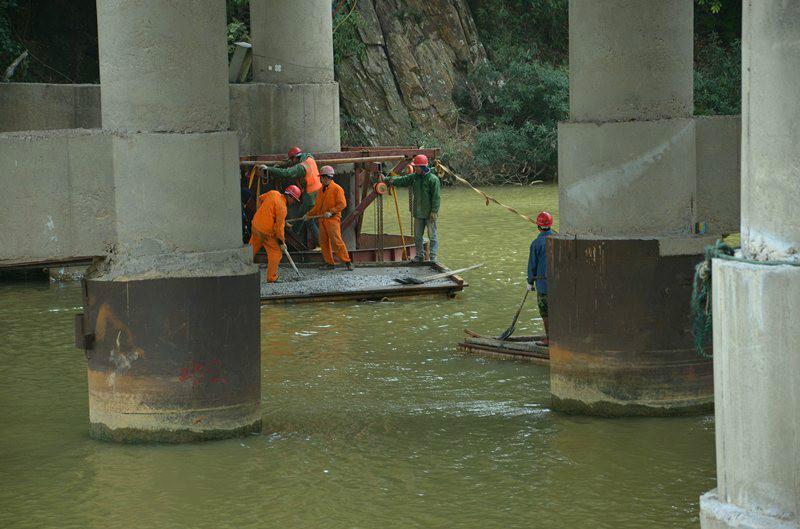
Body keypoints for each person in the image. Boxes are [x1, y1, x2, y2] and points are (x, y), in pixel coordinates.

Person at [260, 146, 322, 247]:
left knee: (307, 218)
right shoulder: (309, 157)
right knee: (310, 219)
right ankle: (317, 242)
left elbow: (287, 173)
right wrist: (284, 163)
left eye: (292, 160)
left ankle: (294, 231)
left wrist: (269, 169)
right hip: (318, 192)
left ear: (295, 158)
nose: (291, 162)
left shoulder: (301, 167)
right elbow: (294, 163)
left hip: (310, 195)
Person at [385, 154, 441, 262]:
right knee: (417, 236)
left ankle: (433, 258)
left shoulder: (433, 180)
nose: (415, 168)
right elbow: (402, 180)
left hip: (430, 214)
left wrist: (434, 212)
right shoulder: (415, 177)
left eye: (417, 167)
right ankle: (419, 256)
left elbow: (436, 198)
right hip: (419, 213)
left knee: (432, 236)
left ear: (423, 167)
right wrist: (388, 180)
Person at [304, 165, 354, 271]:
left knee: (336, 241)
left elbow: (342, 204)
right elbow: (317, 207)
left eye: (321, 177)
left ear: (325, 177)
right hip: (322, 220)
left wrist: (331, 212)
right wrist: (308, 215)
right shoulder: (321, 190)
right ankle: (329, 263)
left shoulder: (337, 189)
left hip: (332, 220)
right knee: (323, 242)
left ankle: (347, 262)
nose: (320, 179)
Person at [250, 185, 302, 283]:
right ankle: (272, 277)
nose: (293, 202)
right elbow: (279, 230)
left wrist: (265, 215)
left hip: (256, 225)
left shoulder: (273, 193)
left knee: (251, 249)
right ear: (290, 196)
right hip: (266, 233)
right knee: (276, 252)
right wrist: (282, 243)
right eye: (294, 200)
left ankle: (239, 268)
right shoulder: (283, 208)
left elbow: (261, 199)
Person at [527, 211, 555, 346]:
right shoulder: (558, 239)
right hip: (558, 283)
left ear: (538, 226)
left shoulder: (536, 243)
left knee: (546, 313)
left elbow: (532, 264)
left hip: (543, 284)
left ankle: (550, 339)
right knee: (557, 310)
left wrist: (529, 282)